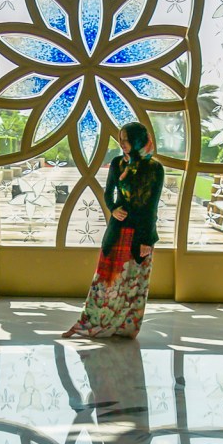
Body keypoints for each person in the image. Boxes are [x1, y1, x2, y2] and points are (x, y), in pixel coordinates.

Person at [63, 121, 164, 339]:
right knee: (106, 278)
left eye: (127, 139)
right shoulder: (118, 163)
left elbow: (151, 206)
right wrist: (114, 208)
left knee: (133, 280)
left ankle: (124, 326)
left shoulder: (155, 168)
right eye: (120, 139)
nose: (122, 144)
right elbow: (109, 193)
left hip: (141, 233)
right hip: (118, 230)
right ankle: (93, 320)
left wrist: (146, 239)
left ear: (138, 140)